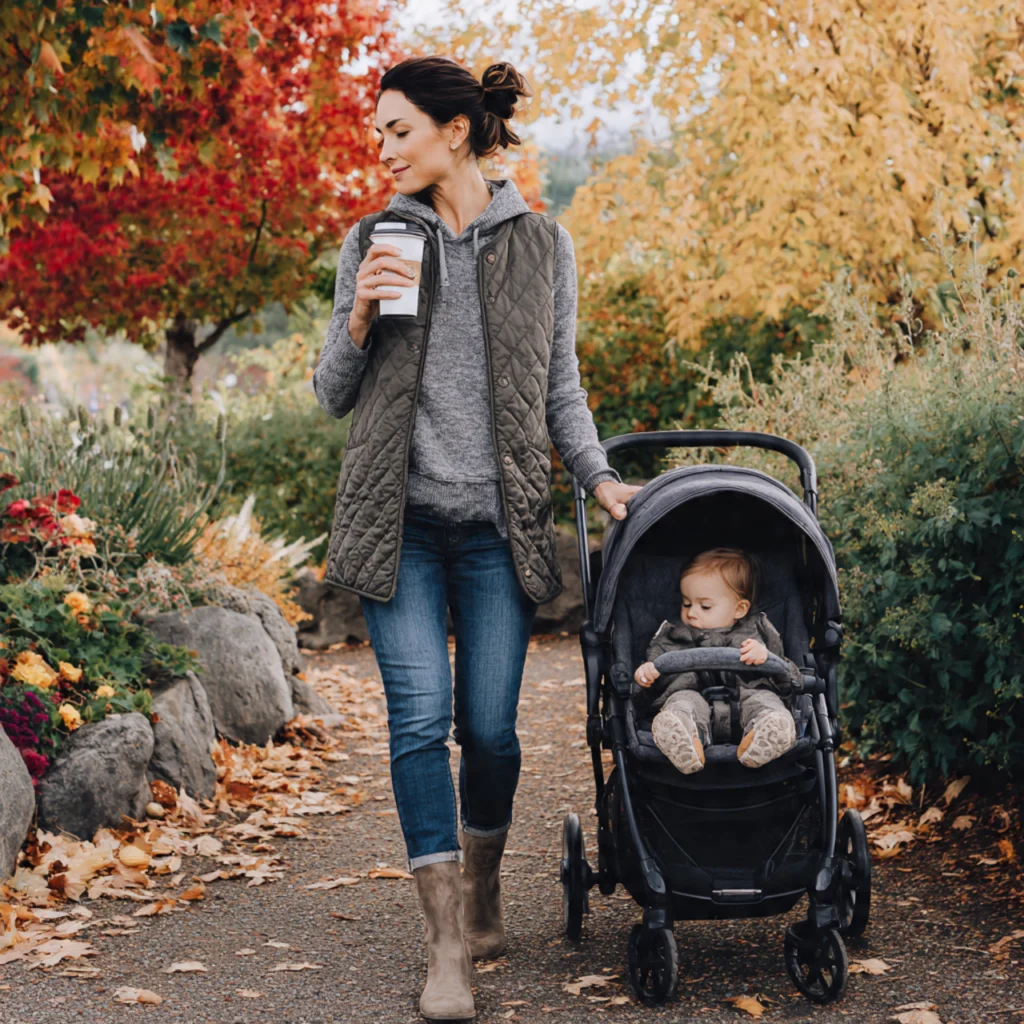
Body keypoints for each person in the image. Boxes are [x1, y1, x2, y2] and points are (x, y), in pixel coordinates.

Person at [312, 56, 642, 1022]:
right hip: (399, 524)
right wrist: (363, 316)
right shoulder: (372, 239)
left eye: (396, 131)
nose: (382, 150)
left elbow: (560, 394)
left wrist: (604, 482)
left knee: (490, 733)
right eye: (379, 133)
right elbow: (332, 393)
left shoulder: (542, 245)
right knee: (419, 723)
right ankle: (446, 942)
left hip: (497, 528)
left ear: (456, 132)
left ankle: (486, 876)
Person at [632, 548, 802, 774]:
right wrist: (645, 673)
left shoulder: (758, 631)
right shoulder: (673, 634)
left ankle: (768, 730)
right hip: (695, 699)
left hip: (748, 695)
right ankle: (684, 736)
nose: (691, 612)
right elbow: (655, 670)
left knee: (765, 699)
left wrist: (765, 657)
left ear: (740, 609)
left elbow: (786, 677)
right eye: (686, 603)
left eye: (704, 606)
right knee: (681, 702)